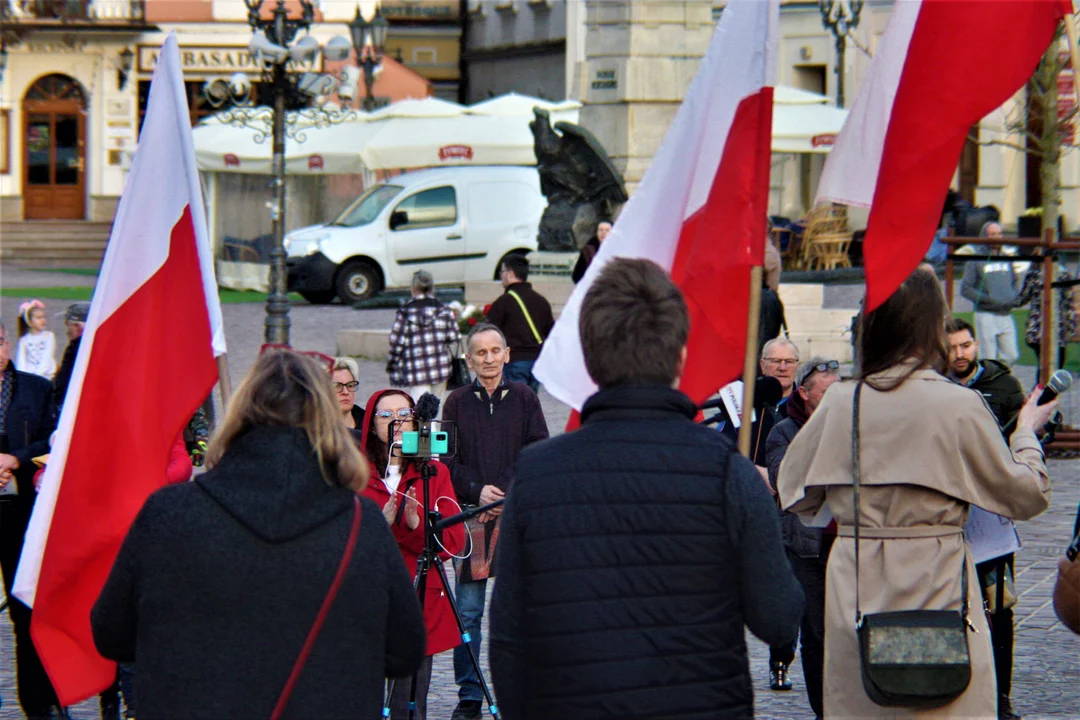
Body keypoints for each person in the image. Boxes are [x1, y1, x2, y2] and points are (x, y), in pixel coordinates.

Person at [489, 258, 804, 719]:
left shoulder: (537, 474)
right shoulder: (726, 472)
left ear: (590, 359)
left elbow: (508, 639)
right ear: (680, 356)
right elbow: (778, 615)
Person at [778, 267, 1056, 719]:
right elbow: (1027, 496)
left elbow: (796, 491)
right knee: (942, 698)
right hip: (937, 573)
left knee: (865, 699)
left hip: (858, 573)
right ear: (931, 326)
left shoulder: (841, 401)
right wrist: (1025, 434)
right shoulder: (958, 404)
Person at [91, 350, 427, 718]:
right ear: (325, 421)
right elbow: (404, 649)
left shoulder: (169, 513)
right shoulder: (359, 523)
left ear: (241, 415)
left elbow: (112, 632)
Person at [442, 323, 549, 720]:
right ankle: (470, 693)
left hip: (515, 518)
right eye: (480, 353)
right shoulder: (455, 402)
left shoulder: (524, 397)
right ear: (469, 359)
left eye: (494, 351)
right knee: (469, 612)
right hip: (472, 520)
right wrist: (476, 490)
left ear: (507, 354)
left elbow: (537, 448)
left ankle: (519, 687)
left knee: (516, 608)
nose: (488, 359)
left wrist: (502, 489)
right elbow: (445, 459)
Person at [358, 389, 466, 720]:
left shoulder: (433, 472)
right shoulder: (354, 473)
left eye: (404, 413)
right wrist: (381, 526)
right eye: (386, 415)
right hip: (366, 596)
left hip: (418, 596)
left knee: (409, 703)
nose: (397, 422)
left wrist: (416, 527)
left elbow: (453, 541)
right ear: (371, 423)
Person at [946, 316, 1026, 720]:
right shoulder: (933, 385)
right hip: (946, 516)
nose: (960, 354)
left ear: (976, 344)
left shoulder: (1003, 386)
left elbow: (1021, 442)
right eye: (952, 347)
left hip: (990, 518)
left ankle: (1001, 696)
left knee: (999, 608)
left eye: (966, 345)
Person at [765, 356, 841, 717]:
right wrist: (819, 433)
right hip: (806, 546)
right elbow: (786, 483)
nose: (834, 399)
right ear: (805, 394)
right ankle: (823, 709)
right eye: (826, 393)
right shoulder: (784, 430)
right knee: (817, 632)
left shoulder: (851, 425)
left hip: (849, 543)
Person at [0, 321, 64, 719]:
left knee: (27, 610)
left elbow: (53, 439)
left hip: (21, 515)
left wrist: (17, 459)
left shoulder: (35, 389)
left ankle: (39, 703)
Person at [386, 270, 461, 401]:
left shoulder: (405, 312)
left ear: (413, 288)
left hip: (416, 369)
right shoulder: (444, 310)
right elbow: (453, 336)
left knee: (421, 413)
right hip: (440, 368)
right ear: (432, 288)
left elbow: (396, 343)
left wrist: (392, 364)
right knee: (436, 412)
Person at [485, 255, 555, 393]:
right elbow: (551, 332)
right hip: (536, 362)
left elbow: (489, 334)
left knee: (514, 405)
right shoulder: (541, 301)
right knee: (529, 404)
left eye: (502, 271)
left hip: (514, 361)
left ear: (510, 274)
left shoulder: (503, 302)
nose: (501, 276)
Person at [961, 222, 1020, 365]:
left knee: (1012, 355)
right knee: (988, 357)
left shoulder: (1007, 258)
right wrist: (987, 299)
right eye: (993, 234)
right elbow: (965, 288)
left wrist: (1013, 296)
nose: (997, 237)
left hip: (1006, 314)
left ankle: (1000, 379)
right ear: (984, 236)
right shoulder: (976, 260)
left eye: (999, 234)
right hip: (986, 314)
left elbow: (1015, 281)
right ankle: (987, 385)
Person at [1013, 259, 1076, 383]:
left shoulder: (1062, 274)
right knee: (1047, 366)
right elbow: (1022, 298)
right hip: (1038, 329)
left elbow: (1069, 301)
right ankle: (1040, 395)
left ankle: (1043, 395)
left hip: (1056, 329)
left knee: (1054, 366)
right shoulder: (1035, 274)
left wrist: (1071, 327)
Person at [53, 301, 89, 411]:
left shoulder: (75, 348)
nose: (67, 331)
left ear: (77, 326)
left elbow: (62, 384)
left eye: (67, 324)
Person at [15, 300, 56, 379]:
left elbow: (47, 357)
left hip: (47, 376)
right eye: (38, 318)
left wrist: (38, 376)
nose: (43, 320)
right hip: (30, 376)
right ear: (29, 322)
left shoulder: (49, 336)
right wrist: (23, 377)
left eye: (43, 317)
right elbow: (21, 361)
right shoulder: (24, 340)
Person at [333, 356, 366, 430]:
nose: (345, 392)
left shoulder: (371, 426)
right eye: (337, 386)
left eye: (350, 385)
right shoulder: (310, 431)